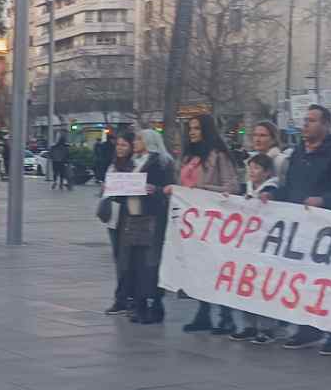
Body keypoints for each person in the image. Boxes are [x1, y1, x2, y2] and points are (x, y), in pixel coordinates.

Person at [272, 105, 331, 353]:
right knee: (303, 280)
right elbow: (290, 186)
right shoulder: (298, 152)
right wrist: (271, 195)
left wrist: (323, 200)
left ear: (325, 125)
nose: (305, 124)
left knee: (327, 282)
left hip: (325, 228)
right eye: (304, 120)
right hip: (300, 226)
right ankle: (307, 330)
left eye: (312, 120)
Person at [176, 115, 240, 334]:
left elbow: (232, 186)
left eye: (197, 128)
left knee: (217, 268)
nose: (192, 132)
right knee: (199, 269)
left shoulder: (218, 155)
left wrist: (204, 191)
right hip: (192, 222)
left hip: (214, 221)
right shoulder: (188, 156)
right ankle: (203, 313)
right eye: (190, 128)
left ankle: (226, 317)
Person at [121, 129, 175, 325]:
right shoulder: (133, 162)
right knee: (135, 263)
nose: (135, 142)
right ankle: (139, 303)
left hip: (152, 216)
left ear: (149, 142)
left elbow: (169, 188)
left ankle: (155, 304)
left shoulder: (161, 162)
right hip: (133, 216)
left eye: (139, 139)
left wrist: (155, 190)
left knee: (150, 263)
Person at [232, 153, 283, 344]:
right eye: (250, 168)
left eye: (257, 168)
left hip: (266, 246)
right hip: (248, 245)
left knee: (263, 286)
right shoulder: (246, 188)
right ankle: (249, 325)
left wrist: (268, 198)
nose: (252, 172)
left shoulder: (273, 189)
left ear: (267, 172)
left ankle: (267, 328)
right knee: (246, 284)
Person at [102, 135, 137, 315]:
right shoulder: (113, 165)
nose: (120, 148)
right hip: (114, 216)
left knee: (127, 259)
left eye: (124, 145)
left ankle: (126, 297)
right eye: (118, 145)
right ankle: (122, 297)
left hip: (129, 215)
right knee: (118, 258)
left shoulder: (135, 165)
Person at [249, 120, 289, 187]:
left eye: (262, 135)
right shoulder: (252, 160)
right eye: (255, 135)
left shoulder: (282, 161)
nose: (257, 139)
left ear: (273, 139)